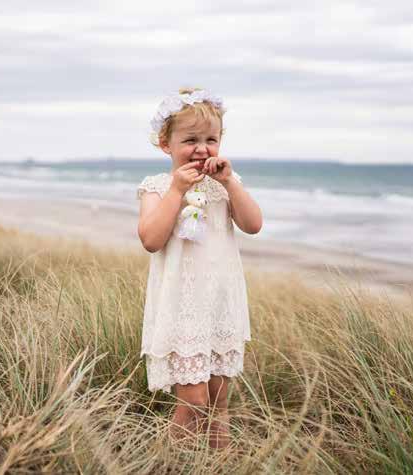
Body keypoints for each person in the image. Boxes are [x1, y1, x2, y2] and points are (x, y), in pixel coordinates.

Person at [136, 87, 262, 449]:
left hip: (220, 307)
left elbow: (253, 225)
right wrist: (177, 191)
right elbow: (151, 239)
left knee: (218, 404)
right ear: (166, 144)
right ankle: (168, 463)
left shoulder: (225, 186)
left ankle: (219, 463)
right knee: (194, 403)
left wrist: (229, 183)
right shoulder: (157, 189)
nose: (202, 148)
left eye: (211, 140)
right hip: (181, 309)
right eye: (190, 140)